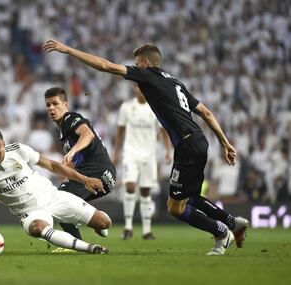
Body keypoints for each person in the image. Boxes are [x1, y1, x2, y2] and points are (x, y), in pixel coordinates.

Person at [43, 39, 250, 255]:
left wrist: (67, 50)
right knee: (189, 198)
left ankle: (221, 233)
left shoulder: (149, 75)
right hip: (198, 141)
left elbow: (106, 66)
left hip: (187, 145)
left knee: (175, 208)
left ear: (144, 63)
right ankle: (232, 222)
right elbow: (205, 112)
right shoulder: (176, 84)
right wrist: (225, 143)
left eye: (136, 63)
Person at [0, 126, 111, 255]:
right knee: (38, 228)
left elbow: (52, 166)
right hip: (30, 214)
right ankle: (89, 248)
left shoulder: (19, 150)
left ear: (3, 143)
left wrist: (84, 179)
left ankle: (98, 227)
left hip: (53, 197)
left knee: (104, 222)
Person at [44, 87, 116, 251]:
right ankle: (99, 220)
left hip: (98, 174)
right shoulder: (63, 131)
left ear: (66, 105)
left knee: (59, 201)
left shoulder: (71, 118)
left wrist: (72, 151)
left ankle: (75, 244)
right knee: (65, 203)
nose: (51, 108)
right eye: (48, 105)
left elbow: (88, 134)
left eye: (55, 104)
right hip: (103, 175)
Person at [113, 84, 172, 240]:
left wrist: (168, 150)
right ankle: (128, 227)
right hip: (130, 153)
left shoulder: (155, 108)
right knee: (130, 186)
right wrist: (116, 152)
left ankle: (147, 230)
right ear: (134, 89)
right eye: (138, 87)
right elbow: (120, 130)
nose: (140, 90)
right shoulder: (126, 107)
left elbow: (163, 131)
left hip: (149, 154)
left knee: (146, 190)